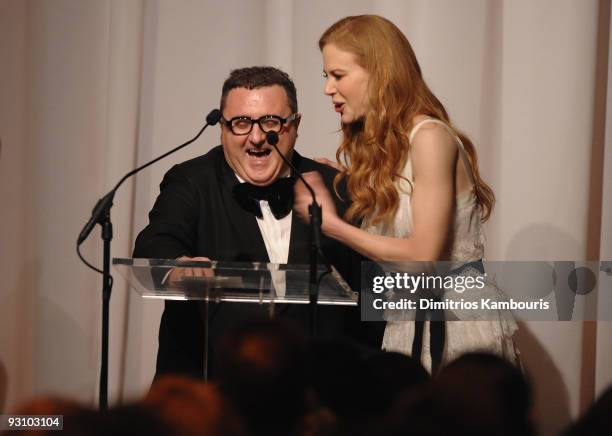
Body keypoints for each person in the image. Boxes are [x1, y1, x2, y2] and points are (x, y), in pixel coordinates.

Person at [294, 15, 518, 372]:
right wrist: (351, 180)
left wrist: (331, 224)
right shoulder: (389, 150)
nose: (327, 89)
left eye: (338, 75)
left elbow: (422, 257)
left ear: (380, 72)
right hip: (406, 319)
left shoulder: (429, 137)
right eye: (326, 76)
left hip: (452, 326)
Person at [133, 66, 378, 379]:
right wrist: (179, 264)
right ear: (222, 127)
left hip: (317, 399)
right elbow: (155, 243)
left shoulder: (335, 187)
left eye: (271, 121)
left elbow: (374, 290)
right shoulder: (191, 181)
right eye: (241, 123)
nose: (258, 137)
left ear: (296, 125)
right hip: (212, 393)